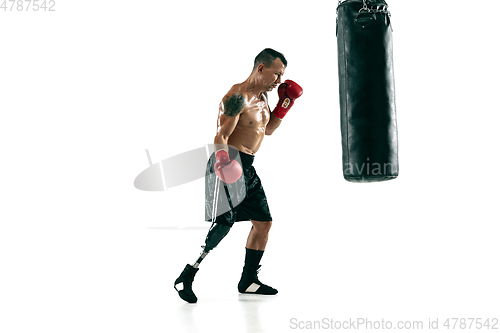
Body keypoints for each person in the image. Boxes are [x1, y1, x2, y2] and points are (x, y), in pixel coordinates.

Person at [174, 48, 303, 303]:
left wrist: (286, 103)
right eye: (276, 74)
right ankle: (186, 276)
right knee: (223, 225)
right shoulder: (237, 97)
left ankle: (248, 281)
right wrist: (223, 164)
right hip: (228, 160)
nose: (279, 81)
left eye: (282, 76)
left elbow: (268, 131)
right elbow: (220, 136)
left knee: (263, 222)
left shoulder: (263, 99)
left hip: (249, 166)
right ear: (261, 68)